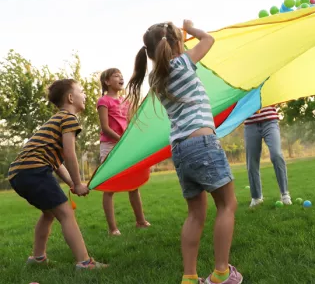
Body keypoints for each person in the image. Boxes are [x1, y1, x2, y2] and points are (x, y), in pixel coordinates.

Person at [125, 20, 242, 284]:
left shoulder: (156, 78)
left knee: (195, 214)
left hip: (179, 149)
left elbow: (170, 54)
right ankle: (222, 273)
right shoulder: (183, 63)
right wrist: (193, 29)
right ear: (177, 44)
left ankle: (189, 278)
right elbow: (209, 40)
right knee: (227, 204)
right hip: (202, 143)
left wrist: (178, 38)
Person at [7, 78, 107, 269]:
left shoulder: (55, 120)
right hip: (34, 170)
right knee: (66, 214)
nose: (85, 94)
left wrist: (71, 183)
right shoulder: (69, 119)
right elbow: (69, 154)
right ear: (70, 97)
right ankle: (85, 263)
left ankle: (37, 259)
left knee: (48, 213)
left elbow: (56, 162)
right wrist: (78, 183)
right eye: (81, 91)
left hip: (19, 173)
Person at [97, 68, 151, 235]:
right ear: (107, 82)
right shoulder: (104, 101)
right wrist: (121, 141)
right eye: (116, 76)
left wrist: (132, 140)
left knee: (133, 185)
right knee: (110, 188)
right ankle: (113, 228)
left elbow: (129, 123)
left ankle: (140, 221)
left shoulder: (125, 102)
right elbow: (105, 127)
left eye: (121, 75)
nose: (121, 78)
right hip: (110, 146)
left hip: (124, 145)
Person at [244, 106, 291, 207]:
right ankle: (256, 197)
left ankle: (285, 194)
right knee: (251, 161)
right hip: (250, 124)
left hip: (270, 121)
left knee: (276, 154)